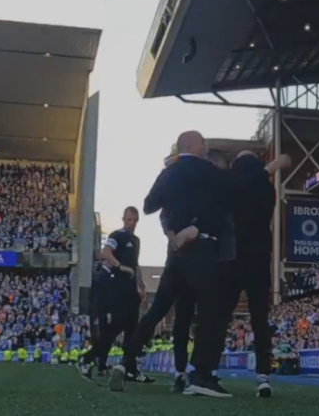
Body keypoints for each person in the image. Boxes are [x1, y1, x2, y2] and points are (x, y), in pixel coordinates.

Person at [109, 131, 239, 398]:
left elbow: (148, 206)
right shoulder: (208, 171)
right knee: (210, 312)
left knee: (156, 312)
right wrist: (194, 227)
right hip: (201, 247)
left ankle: (125, 363)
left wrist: (171, 230)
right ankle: (200, 375)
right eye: (203, 143)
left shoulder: (169, 173)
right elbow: (227, 200)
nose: (206, 147)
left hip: (175, 254)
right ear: (192, 145)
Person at [216, 150, 288, 398]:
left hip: (234, 257)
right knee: (260, 319)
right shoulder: (266, 189)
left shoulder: (233, 186)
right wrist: (269, 168)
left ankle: (208, 370)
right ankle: (263, 375)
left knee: (221, 315)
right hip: (259, 259)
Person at [79, 206, 150, 382]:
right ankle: (88, 359)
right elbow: (106, 253)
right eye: (129, 219)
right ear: (123, 219)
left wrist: (141, 286)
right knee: (114, 328)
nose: (132, 223)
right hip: (116, 289)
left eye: (135, 220)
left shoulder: (136, 240)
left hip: (131, 290)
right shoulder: (116, 236)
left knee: (133, 330)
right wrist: (120, 266)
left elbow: (135, 265)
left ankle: (130, 368)